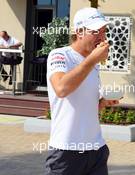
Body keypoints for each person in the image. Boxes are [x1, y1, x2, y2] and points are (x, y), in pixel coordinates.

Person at [45, 8, 119, 175]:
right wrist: (93, 60)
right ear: (79, 32)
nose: (102, 36)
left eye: (104, 31)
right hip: (67, 151)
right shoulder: (59, 55)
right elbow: (62, 89)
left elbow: (86, 107)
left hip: (96, 149)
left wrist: (102, 103)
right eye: (95, 31)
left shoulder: (94, 63)